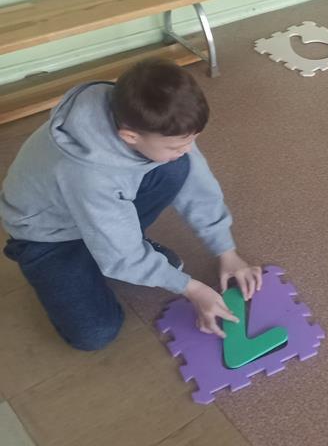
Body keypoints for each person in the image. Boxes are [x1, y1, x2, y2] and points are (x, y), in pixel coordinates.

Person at [2, 58, 262, 350]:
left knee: (178, 166)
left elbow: (198, 185)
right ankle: (95, 258)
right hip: (48, 237)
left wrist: (226, 251)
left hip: (100, 210)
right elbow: (121, 254)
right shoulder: (88, 174)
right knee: (95, 334)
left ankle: (123, 247)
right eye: (178, 145)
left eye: (192, 140)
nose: (188, 148)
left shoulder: (154, 119)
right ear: (130, 136)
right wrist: (192, 289)